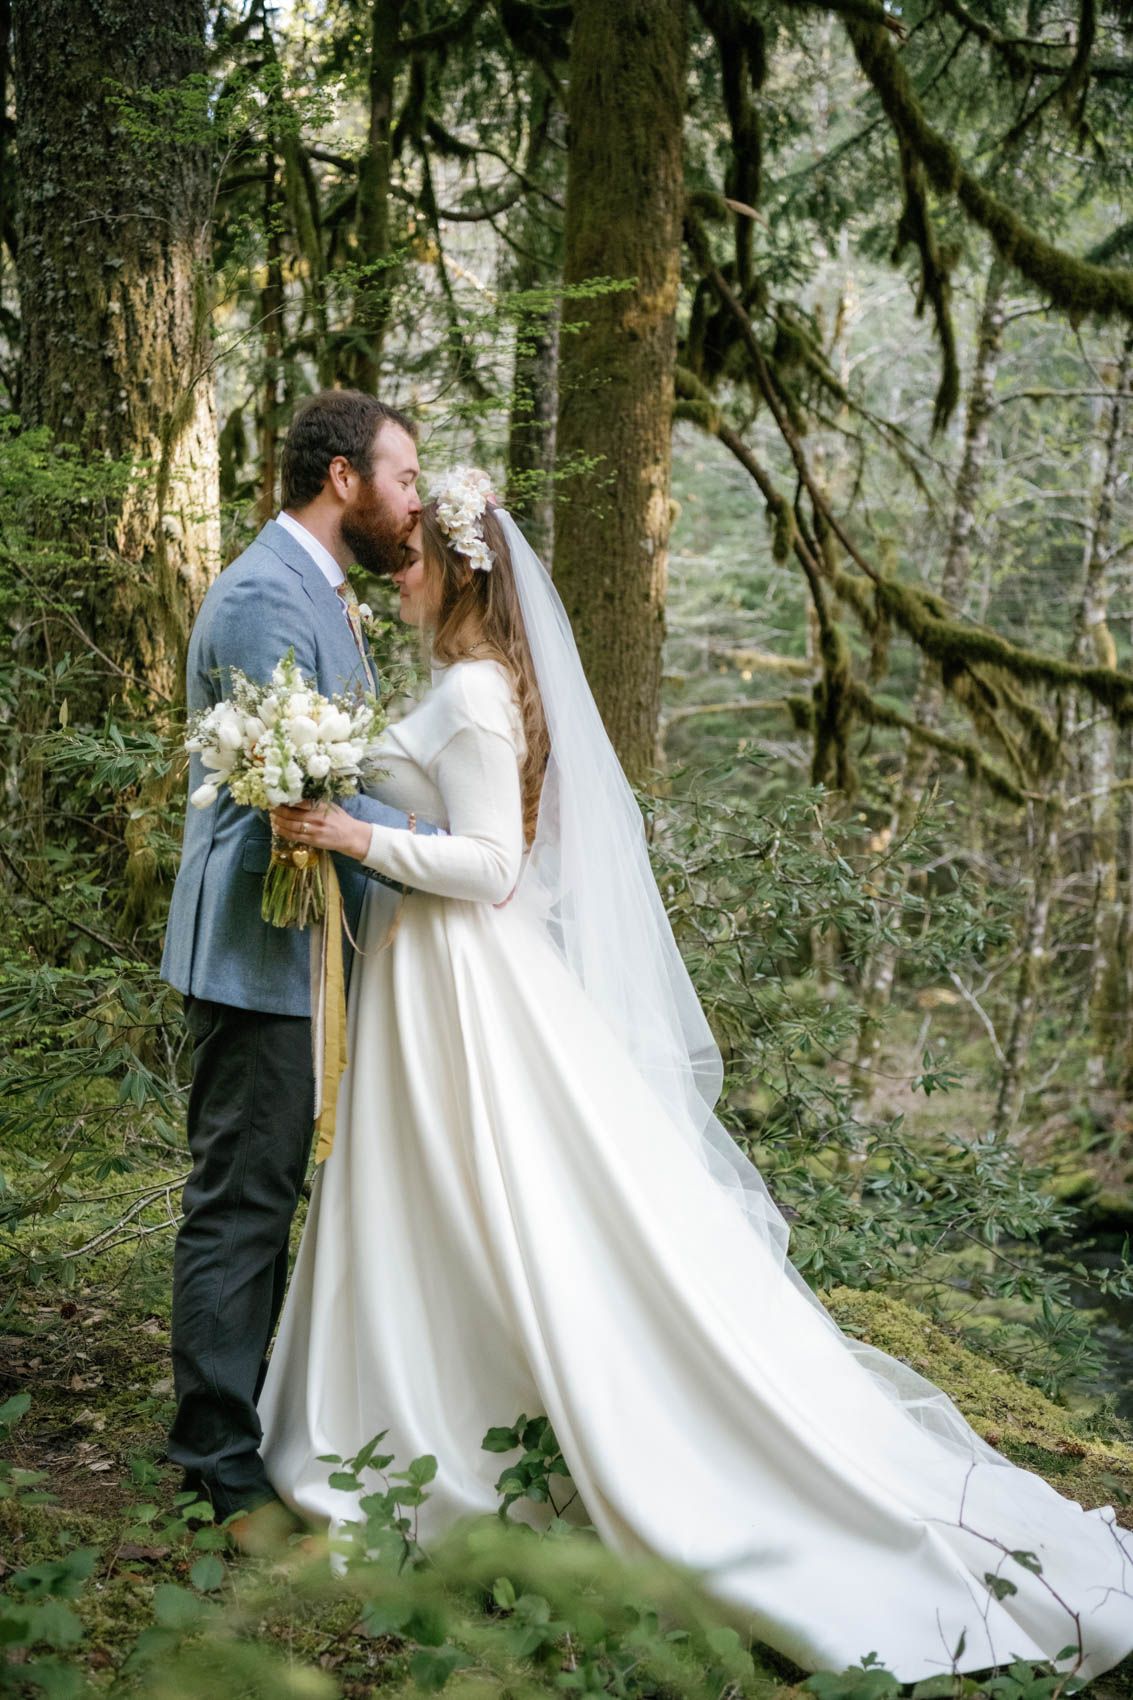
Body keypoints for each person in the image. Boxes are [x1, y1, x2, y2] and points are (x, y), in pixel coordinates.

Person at [257, 472, 1133, 1681]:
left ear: (456, 568)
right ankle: (426, 1413)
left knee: (493, 1209)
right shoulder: (466, 683)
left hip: (464, 980)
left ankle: (444, 1434)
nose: (394, 573)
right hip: (441, 987)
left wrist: (354, 833)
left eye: (409, 557)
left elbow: (490, 865)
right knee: (450, 1211)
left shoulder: (467, 691)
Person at [160, 390, 444, 1548]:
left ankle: (260, 1424)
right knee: (242, 1202)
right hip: (257, 954)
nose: (413, 501)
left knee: (272, 1196)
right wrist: (455, 847)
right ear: (342, 478)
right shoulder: (262, 596)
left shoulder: (322, 592)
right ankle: (216, 1472)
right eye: (404, 477)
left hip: (311, 947)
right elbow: (297, 796)